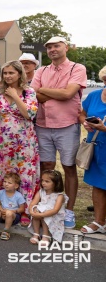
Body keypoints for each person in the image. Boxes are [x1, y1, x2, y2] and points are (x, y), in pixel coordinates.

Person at [31, 36, 86, 228]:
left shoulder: (77, 68)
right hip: (43, 124)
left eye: (57, 46)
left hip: (67, 124)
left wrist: (45, 91)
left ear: (66, 48)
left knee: (69, 166)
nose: (53, 49)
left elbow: (68, 93)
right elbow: (33, 94)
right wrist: (58, 92)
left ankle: (68, 210)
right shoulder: (41, 70)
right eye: (49, 47)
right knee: (46, 166)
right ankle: (47, 205)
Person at [0, 61, 40, 227]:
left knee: (24, 176)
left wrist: (16, 96)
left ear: (19, 74)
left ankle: (23, 210)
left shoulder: (29, 92)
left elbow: (29, 114)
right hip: (3, 141)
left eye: (11, 73)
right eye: (5, 73)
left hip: (25, 143)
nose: (8, 76)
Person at [79, 65, 106, 234]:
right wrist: (85, 122)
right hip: (97, 147)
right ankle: (99, 222)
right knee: (98, 185)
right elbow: (82, 113)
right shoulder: (95, 95)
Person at [28, 170, 67, 245]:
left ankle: (46, 235)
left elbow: (55, 210)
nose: (43, 183)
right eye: (42, 180)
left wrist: (41, 215)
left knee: (45, 212)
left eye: (47, 181)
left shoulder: (59, 195)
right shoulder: (41, 191)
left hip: (54, 214)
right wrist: (32, 211)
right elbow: (33, 203)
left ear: (56, 183)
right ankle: (36, 234)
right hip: (42, 211)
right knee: (36, 210)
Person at [0, 172, 26, 241]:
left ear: (16, 186)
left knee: (9, 213)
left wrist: (12, 211)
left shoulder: (18, 195)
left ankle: (6, 231)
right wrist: (1, 210)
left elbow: (22, 209)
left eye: (9, 183)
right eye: (5, 181)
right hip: (2, 213)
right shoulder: (1, 192)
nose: (6, 184)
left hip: (13, 216)